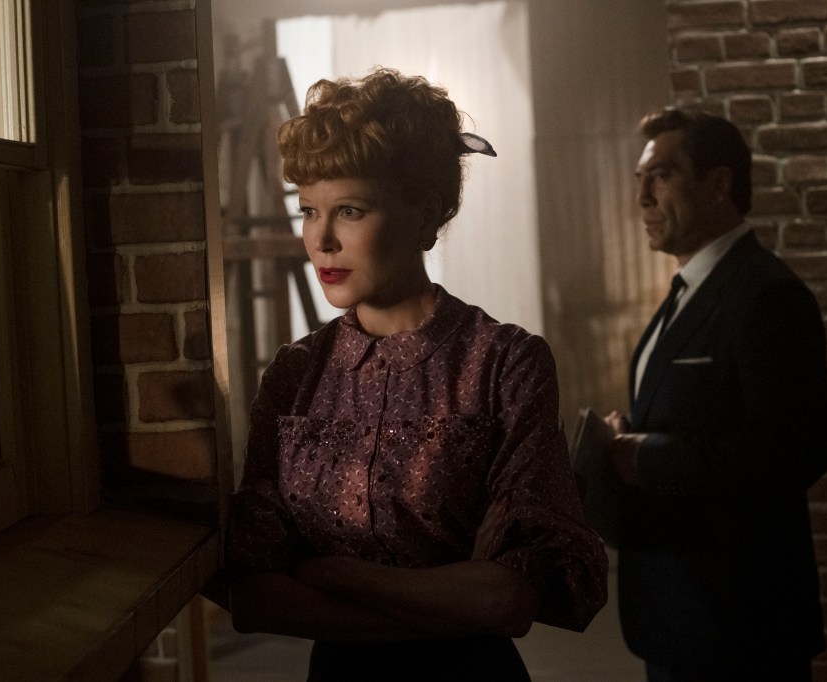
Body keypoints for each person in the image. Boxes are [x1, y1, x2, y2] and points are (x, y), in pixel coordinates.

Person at [226, 67, 609, 681]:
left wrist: (335, 573)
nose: (321, 240)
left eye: (350, 210)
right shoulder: (295, 376)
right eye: (309, 211)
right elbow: (254, 598)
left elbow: (509, 599)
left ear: (425, 216)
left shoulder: (503, 363)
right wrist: (451, 597)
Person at [604, 107, 827, 682]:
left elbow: (792, 451)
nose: (642, 199)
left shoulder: (767, 295)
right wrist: (632, 433)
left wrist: (646, 456)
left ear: (719, 185)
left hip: (740, 624)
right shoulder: (686, 291)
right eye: (640, 180)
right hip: (679, 615)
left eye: (662, 176)